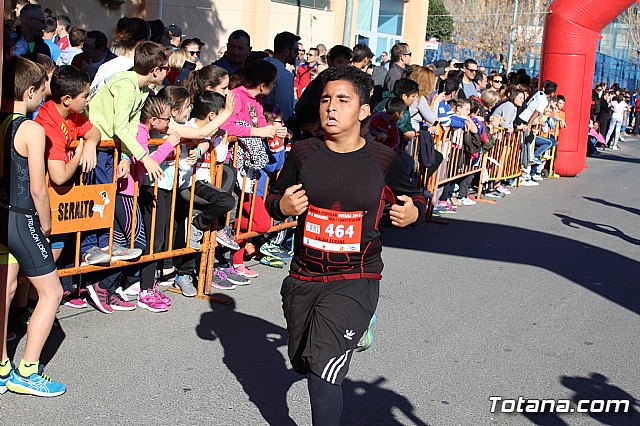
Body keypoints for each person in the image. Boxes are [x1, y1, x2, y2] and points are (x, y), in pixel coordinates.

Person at [265, 66, 426, 425]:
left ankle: (354, 322)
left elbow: (416, 198)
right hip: (304, 276)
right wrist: (282, 207)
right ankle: (354, 330)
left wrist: (413, 213)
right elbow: (274, 198)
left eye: (342, 100)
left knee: (324, 370)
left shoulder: (383, 159)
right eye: (325, 100)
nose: (331, 108)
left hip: (356, 276)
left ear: (364, 110)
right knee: (305, 359)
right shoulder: (304, 153)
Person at [0, 56, 66, 397]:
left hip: (1, 215)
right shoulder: (31, 128)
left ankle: (0, 369)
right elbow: (39, 187)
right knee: (52, 292)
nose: (45, 97)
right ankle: (26, 373)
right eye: (43, 91)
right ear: (29, 91)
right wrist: (46, 222)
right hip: (20, 215)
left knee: (6, 290)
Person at [83, 41, 169, 267]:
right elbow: (121, 127)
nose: (168, 72)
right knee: (96, 196)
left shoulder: (141, 90)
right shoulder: (125, 84)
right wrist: (144, 157)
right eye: (166, 68)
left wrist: (123, 157)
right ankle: (89, 246)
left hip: (111, 148)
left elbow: (128, 126)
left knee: (106, 196)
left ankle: (105, 243)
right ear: (155, 70)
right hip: (97, 146)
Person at [35, 65, 100, 308]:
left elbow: (94, 131)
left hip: (59, 200)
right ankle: (32, 307)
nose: (88, 100)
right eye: (85, 96)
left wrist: (91, 144)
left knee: (57, 247)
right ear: (66, 99)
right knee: (41, 258)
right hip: (43, 197)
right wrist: (80, 151)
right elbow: (59, 176)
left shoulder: (71, 114)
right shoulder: (49, 123)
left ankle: (42, 303)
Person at [221, 60, 287, 278]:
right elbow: (227, 126)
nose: (275, 87)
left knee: (251, 219)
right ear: (262, 84)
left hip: (249, 170)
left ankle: (234, 256)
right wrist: (259, 132)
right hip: (231, 168)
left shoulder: (257, 101)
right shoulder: (236, 96)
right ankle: (225, 262)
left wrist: (275, 130)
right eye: (273, 83)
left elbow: (259, 126)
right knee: (230, 215)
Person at [264, 31, 300, 122]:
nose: (297, 55)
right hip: (274, 125)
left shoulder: (261, 65)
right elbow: (285, 110)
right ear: (286, 52)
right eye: (296, 51)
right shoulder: (285, 76)